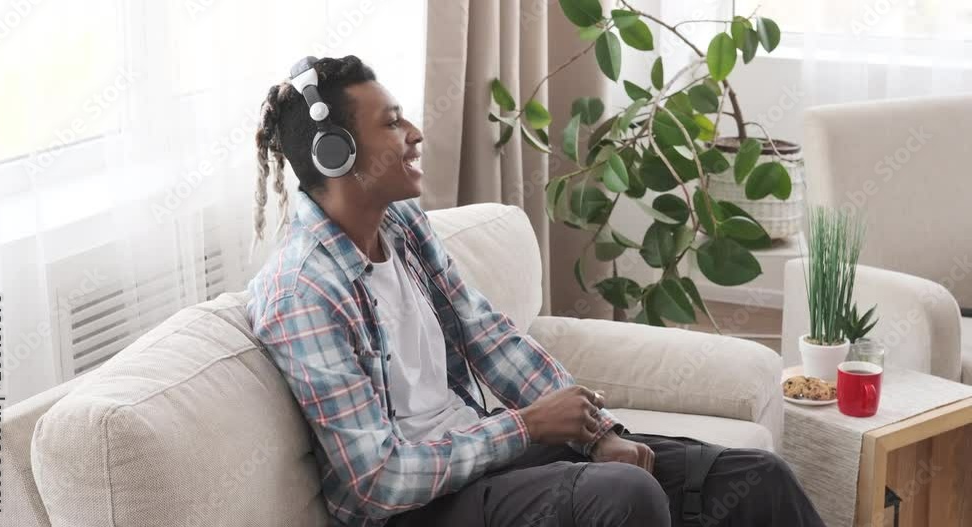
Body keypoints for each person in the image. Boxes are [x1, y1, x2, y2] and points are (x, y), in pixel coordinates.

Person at [246, 55, 825, 527]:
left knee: (757, 478)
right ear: (336, 154)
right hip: (418, 510)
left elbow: (489, 337)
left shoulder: (400, 224)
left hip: (477, 457)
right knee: (626, 496)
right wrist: (526, 426)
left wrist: (600, 433)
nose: (416, 133)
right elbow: (379, 482)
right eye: (393, 123)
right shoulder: (303, 294)